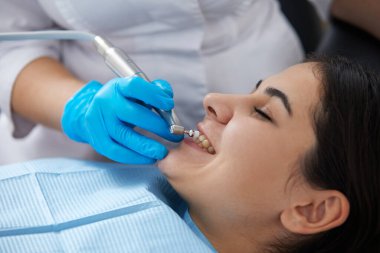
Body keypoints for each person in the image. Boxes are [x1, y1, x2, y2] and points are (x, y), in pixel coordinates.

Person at [0, 55, 379, 252]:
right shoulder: (135, 181)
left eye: (264, 112)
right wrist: (77, 105)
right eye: (254, 89)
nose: (213, 100)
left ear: (312, 210)